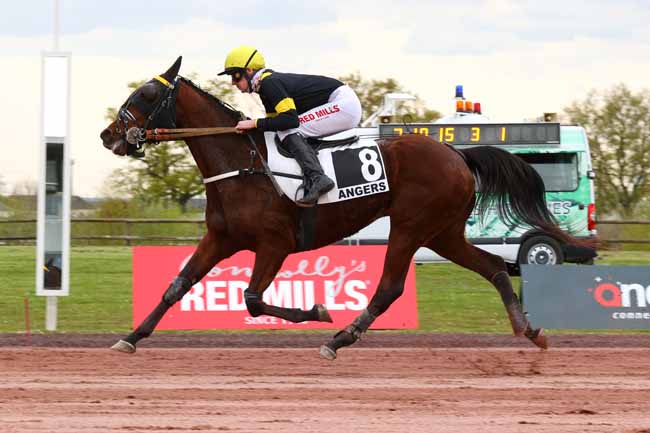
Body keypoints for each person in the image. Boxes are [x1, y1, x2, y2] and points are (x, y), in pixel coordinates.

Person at [218, 45, 362, 207]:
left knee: (289, 131)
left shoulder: (269, 83)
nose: (233, 82)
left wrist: (254, 123)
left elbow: (290, 121)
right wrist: (253, 127)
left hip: (343, 104)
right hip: (341, 103)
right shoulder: (264, 86)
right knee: (282, 131)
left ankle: (318, 178)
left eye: (235, 76)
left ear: (249, 70)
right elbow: (273, 123)